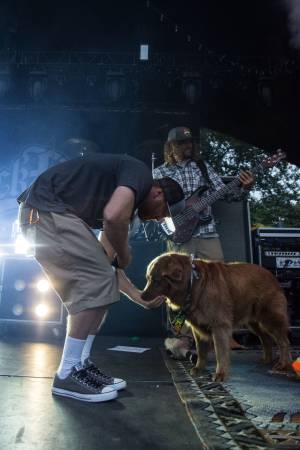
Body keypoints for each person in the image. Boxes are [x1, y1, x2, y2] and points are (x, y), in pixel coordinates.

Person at [17, 152, 184, 403]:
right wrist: (126, 252)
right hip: (43, 210)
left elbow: (109, 267)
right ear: (158, 193)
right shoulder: (140, 174)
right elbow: (113, 215)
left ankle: (81, 364)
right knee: (94, 282)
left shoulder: (124, 202)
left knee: (102, 279)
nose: (160, 218)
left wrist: (137, 296)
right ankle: (67, 373)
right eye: (164, 213)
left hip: (53, 214)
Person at [152, 126, 255, 354]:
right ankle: (181, 337)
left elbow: (227, 193)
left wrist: (245, 187)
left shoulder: (203, 167)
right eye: (181, 143)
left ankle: (224, 334)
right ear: (171, 147)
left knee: (221, 284)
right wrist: (169, 228)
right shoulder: (159, 173)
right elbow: (152, 209)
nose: (188, 146)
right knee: (176, 289)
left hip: (207, 232)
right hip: (179, 237)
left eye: (190, 143)